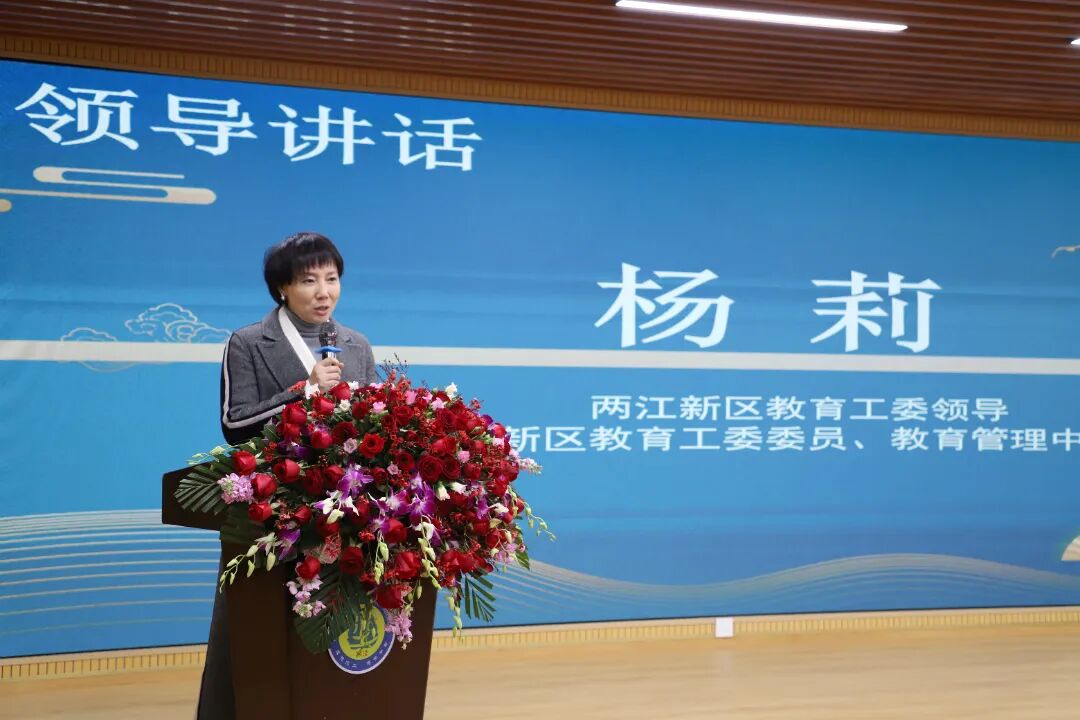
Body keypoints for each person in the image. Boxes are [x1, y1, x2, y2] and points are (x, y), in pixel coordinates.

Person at [197, 231, 378, 719]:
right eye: (308, 281)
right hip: (270, 510)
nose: (324, 292)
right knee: (256, 634)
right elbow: (235, 425)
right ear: (281, 288)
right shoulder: (248, 342)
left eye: (332, 279)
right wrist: (304, 391)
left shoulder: (356, 345)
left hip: (342, 515)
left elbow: (374, 427)